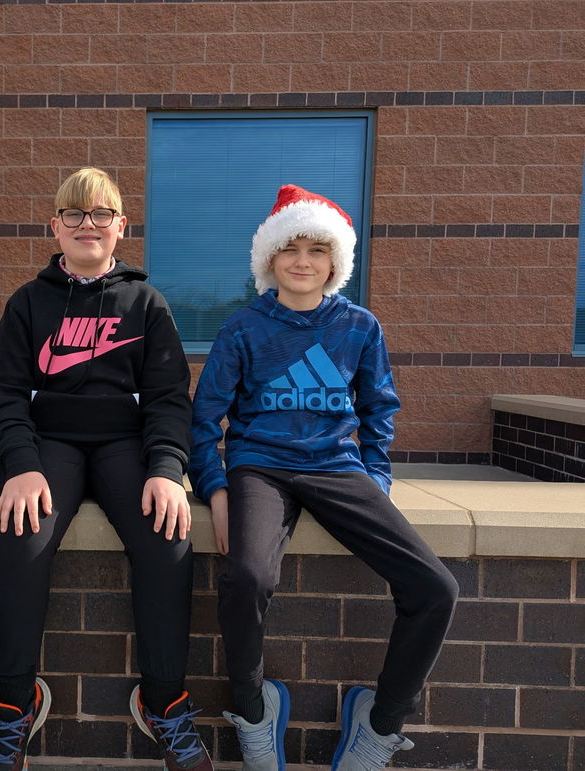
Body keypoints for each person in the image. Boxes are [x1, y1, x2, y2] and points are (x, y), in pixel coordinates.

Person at [188, 184, 459, 770]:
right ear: (270, 260)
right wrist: (216, 487)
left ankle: (380, 722)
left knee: (436, 588)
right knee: (247, 578)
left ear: (335, 260)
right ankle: (255, 710)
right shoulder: (244, 328)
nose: (302, 261)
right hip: (260, 466)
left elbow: (378, 408)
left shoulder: (359, 326)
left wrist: (377, 480)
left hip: (337, 467)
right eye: (290, 249)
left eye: (316, 249)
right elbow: (205, 418)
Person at [0, 167, 212, 771]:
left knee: (168, 536)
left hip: (123, 446)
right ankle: (12, 706)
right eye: (75, 215)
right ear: (54, 226)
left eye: (100, 214)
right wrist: (20, 465)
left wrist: (165, 467)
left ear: (120, 226)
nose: (88, 225)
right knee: (18, 537)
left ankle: (164, 702)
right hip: (48, 443)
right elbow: (2, 393)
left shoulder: (146, 302)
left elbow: (167, 396)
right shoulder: (29, 303)